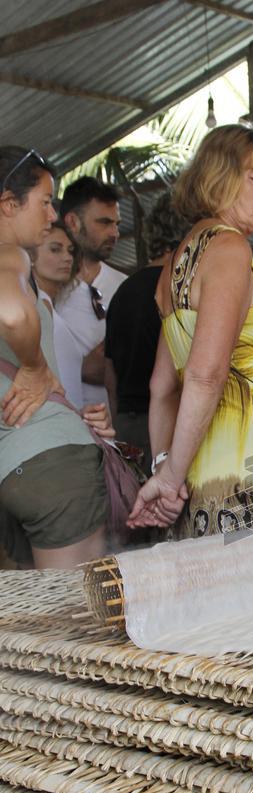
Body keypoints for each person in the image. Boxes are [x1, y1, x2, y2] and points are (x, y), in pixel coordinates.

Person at [127, 124, 253, 537]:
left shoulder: (176, 263)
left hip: (195, 472)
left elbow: (161, 386)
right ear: (216, 176)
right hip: (243, 468)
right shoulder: (230, 249)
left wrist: (168, 469)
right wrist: (169, 478)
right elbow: (205, 374)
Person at [0, 146, 107, 568]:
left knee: (26, 624)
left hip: (11, 468)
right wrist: (33, 367)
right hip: (51, 462)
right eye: (45, 202)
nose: (51, 216)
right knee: (78, 615)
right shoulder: (9, 254)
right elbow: (10, 312)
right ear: (9, 204)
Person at [104, 191, 188, 472]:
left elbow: (109, 370)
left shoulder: (124, 291)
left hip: (128, 424)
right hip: (169, 423)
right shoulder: (179, 290)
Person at [31, 219, 114, 441]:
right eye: (55, 249)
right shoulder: (32, 309)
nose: (66, 257)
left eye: (70, 250)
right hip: (53, 435)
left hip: (71, 428)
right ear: (29, 256)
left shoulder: (52, 307)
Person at [57, 176, 125, 410]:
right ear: (73, 222)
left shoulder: (124, 286)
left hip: (111, 429)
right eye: (104, 223)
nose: (114, 232)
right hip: (61, 426)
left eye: (116, 223)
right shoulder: (45, 286)